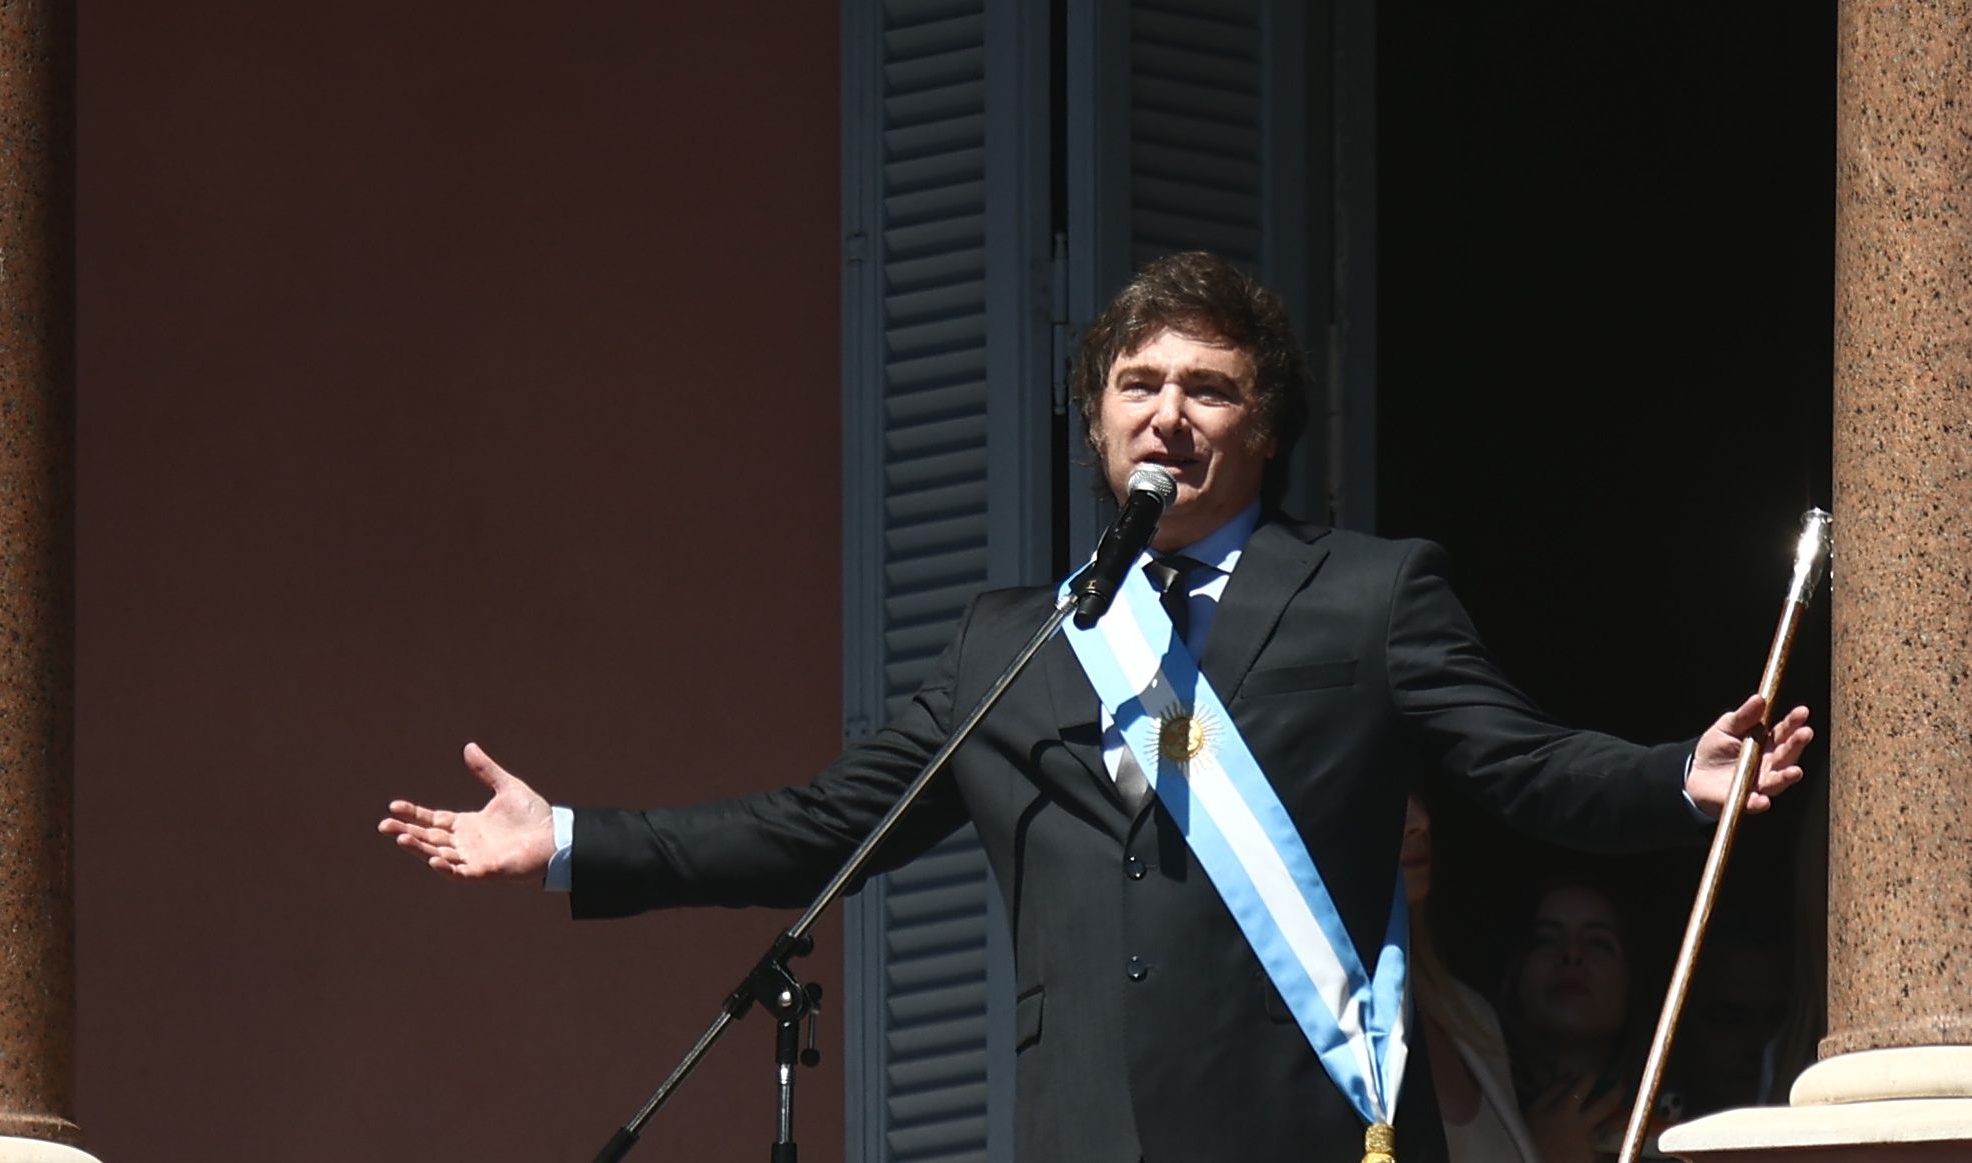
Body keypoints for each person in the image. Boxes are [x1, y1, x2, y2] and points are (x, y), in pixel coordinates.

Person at [379, 251, 1813, 1163]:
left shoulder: (1369, 592)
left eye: (1208, 387)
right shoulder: (1014, 641)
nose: (1166, 411)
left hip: (1305, 1126)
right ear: (1096, 419)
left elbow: (1519, 760)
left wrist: (1668, 777)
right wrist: (568, 838)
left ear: (1265, 427)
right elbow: (824, 824)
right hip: (1083, 1129)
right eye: (1137, 382)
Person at [1403, 793, 1545, 1163]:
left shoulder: (1470, 1015)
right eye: (1382, 794)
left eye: (1414, 791)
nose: (1419, 821)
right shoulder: (1298, 1030)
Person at [1499, 876, 1664, 1161]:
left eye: (1598, 943)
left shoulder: (1673, 1129)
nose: (1572, 954)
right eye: (1546, 940)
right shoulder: (1472, 1105)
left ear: (1632, 980)